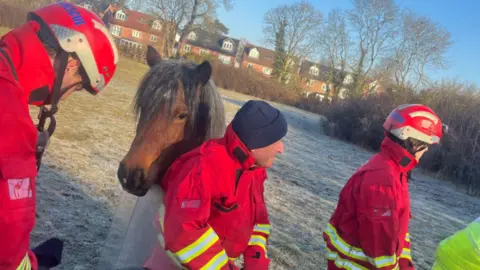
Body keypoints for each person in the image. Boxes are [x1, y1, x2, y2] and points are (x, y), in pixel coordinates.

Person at [0, 2, 118, 270]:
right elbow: (6, 255)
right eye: (76, 88)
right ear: (71, 63)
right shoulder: (11, 122)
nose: (64, 97)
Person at [142, 100, 288, 270]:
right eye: (276, 141)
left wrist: (256, 262)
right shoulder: (202, 168)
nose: (281, 149)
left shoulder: (254, 170)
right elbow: (184, 231)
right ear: (255, 145)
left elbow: (258, 221)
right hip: (173, 265)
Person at [323, 104, 445, 270]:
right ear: (413, 142)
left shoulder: (396, 170)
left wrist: (406, 266)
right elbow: (380, 247)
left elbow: (398, 230)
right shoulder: (383, 179)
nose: (425, 152)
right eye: (426, 145)